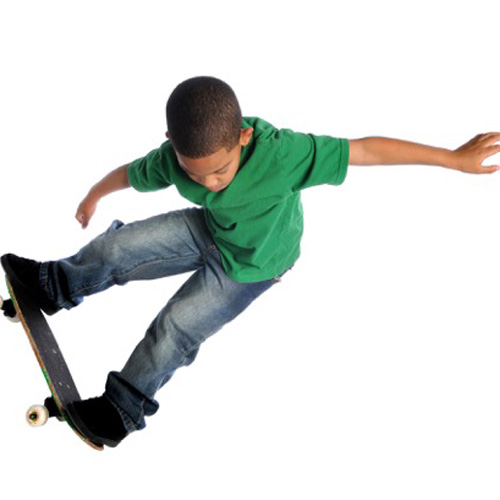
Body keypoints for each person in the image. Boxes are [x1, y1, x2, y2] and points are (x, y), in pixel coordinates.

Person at [2, 76, 499, 448]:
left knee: (176, 327)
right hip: (212, 231)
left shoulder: (283, 155)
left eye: (221, 169)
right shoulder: (174, 159)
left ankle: (122, 409)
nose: (212, 182)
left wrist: (452, 159)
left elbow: (365, 150)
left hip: (253, 265)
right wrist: (93, 196)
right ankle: (54, 284)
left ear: (242, 137)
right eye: (199, 173)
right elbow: (131, 174)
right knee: (118, 248)